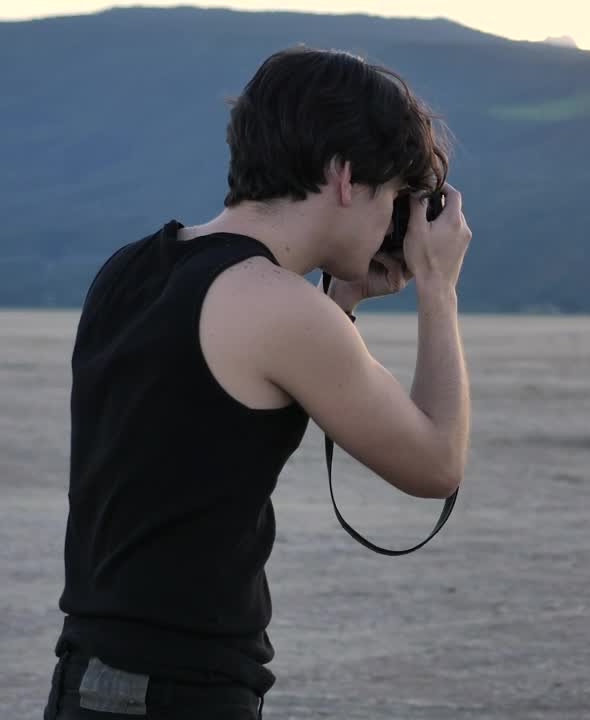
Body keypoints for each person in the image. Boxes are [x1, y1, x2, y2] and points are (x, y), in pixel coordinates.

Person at [42, 46, 472, 719]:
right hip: (183, 691)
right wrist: (438, 290)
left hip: (86, 679)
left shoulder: (131, 270)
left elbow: (207, 416)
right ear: (343, 175)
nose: (392, 221)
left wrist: (342, 302)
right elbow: (436, 463)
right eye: (390, 196)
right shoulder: (279, 307)